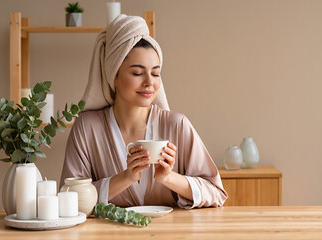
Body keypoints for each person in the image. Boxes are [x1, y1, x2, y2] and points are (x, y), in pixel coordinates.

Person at [60, 15, 227, 209]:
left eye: (156, 73)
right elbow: (68, 199)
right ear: (114, 76)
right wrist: (126, 177)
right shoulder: (87, 127)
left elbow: (216, 193)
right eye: (137, 73)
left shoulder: (177, 125)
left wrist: (168, 177)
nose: (149, 82)